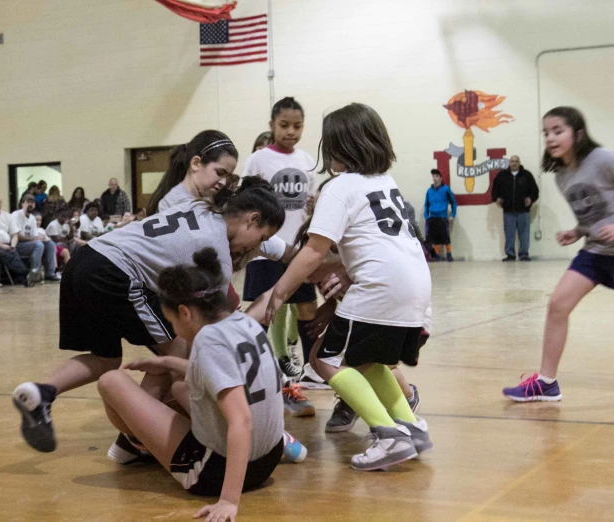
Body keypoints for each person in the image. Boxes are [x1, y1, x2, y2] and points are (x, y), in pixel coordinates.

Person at [11, 174, 284, 455]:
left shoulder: (200, 207)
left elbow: (273, 247)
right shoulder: (216, 254)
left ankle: (41, 392)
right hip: (114, 272)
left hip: (83, 262)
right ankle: (137, 439)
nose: (254, 248)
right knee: (178, 348)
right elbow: (206, 333)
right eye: (260, 238)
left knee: (107, 359)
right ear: (251, 219)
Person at [266, 103, 433, 471]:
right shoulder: (386, 182)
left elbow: (313, 251)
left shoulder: (340, 187)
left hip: (380, 286)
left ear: (338, 146)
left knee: (323, 360)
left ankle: (389, 435)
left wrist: (280, 292)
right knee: (365, 360)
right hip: (416, 285)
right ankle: (411, 426)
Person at [97, 248, 288, 520]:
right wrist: (166, 364)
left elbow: (241, 419)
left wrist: (228, 501)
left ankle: (137, 443)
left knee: (110, 381)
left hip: (215, 472)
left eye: (172, 320)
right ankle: (143, 442)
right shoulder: (245, 323)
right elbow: (234, 375)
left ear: (185, 312)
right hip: (268, 457)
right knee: (179, 387)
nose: (174, 329)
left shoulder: (209, 340)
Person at [503, 107, 614, 402]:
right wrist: (577, 231)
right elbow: (594, 212)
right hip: (597, 251)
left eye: (558, 131)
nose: (551, 138)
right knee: (557, 305)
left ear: (578, 133)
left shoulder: (604, 160)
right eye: (546, 133)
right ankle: (546, 383)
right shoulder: (562, 176)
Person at [242, 97, 319, 404]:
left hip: (299, 250)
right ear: (272, 125)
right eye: (284, 125)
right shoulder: (258, 160)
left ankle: (312, 369)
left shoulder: (307, 160)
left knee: (308, 309)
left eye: (297, 126)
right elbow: (245, 201)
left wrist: (315, 206)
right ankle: (263, 373)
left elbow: (312, 202)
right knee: (265, 310)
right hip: (266, 249)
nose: (291, 132)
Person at [147, 130, 237, 216]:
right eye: (219, 172)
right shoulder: (173, 205)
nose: (223, 182)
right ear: (196, 163)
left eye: (228, 176)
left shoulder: (204, 198)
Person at [0, 193, 36, 287]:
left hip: (7, 245)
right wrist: (2, 246)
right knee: (4, 253)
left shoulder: (8, 216)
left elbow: (14, 234)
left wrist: (13, 245)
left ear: (1, 203)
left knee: (13, 252)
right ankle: (26, 273)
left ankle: (22, 279)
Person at [492, 155, 539, 261]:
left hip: (523, 211)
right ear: (509, 163)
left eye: (516, 161)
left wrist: (530, 198)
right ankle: (510, 255)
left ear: (519, 162)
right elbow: (495, 190)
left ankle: (524, 254)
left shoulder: (527, 175)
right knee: (509, 234)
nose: (514, 163)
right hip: (508, 211)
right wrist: (497, 198)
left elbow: (535, 191)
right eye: (512, 161)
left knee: (524, 234)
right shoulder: (502, 176)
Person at [11, 194, 60, 282]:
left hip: (29, 244)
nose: (30, 204)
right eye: (28, 202)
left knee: (50, 244)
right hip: (17, 245)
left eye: (32, 202)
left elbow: (34, 236)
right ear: (22, 203)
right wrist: (36, 238)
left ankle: (50, 273)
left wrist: (41, 238)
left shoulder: (33, 218)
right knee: (38, 245)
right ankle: (34, 274)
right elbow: (17, 236)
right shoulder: (16, 215)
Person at [424, 169, 457, 262]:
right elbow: (426, 204)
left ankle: (449, 255)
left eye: (437, 176)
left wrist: (453, 215)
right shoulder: (429, 191)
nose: (434, 178)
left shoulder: (446, 189)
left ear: (441, 178)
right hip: (432, 217)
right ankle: (438, 255)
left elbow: (454, 202)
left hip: (442, 216)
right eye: (433, 176)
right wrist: (427, 216)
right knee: (434, 238)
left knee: (446, 237)